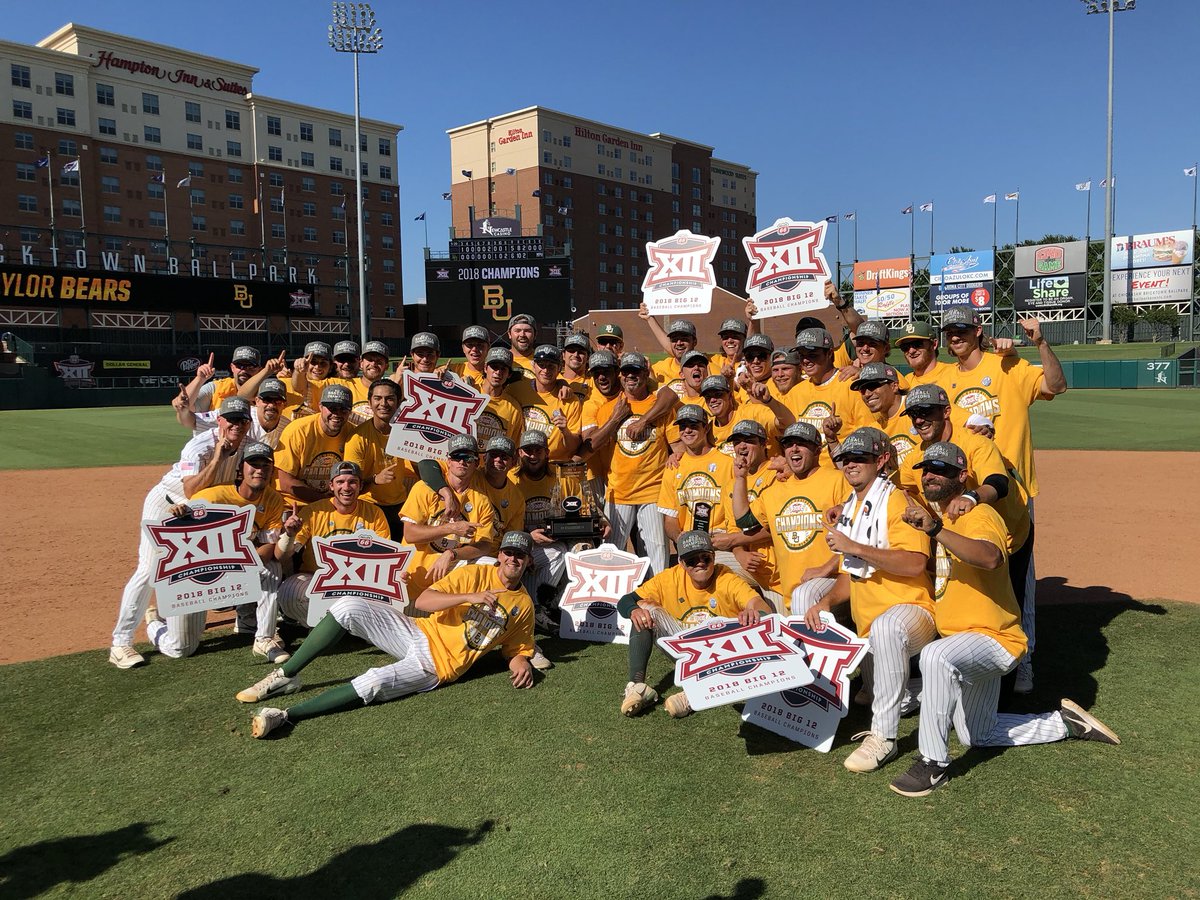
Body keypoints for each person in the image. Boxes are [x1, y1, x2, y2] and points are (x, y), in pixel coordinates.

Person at [888, 442, 1119, 797]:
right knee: (977, 735)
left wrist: (935, 531)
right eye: (926, 469)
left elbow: (991, 557)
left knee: (936, 656)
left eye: (941, 469)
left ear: (963, 477)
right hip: (966, 645)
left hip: (995, 639)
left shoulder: (979, 516)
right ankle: (1064, 724)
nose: (930, 475)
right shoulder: (942, 519)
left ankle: (932, 765)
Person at [236, 530, 538, 739]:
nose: (513, 559)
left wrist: (521, 663)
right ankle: (287, 675)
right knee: (349, 606)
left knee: (374, 682)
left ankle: (287, 715)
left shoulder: (523, 604)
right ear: (500, 555)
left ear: (528, 561)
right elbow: (422, 602)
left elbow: (516, 648)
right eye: (509, 552)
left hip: (438, 666)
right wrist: (467, 597)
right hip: (419, 631)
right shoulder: (474, 574)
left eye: (520, 555)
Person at [937, 307, 1067, 693]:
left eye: (962, 329)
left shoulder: (1009, 365)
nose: (955, 337)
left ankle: (1022, 662)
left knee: (1019, 579)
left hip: (1009, 493)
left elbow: (1056, 386)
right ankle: (967, 656)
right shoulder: (944, 377)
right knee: (964, 575)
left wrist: (1039, 342)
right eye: (950, 331)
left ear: (979, 330)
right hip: (962, 491)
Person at [804, 428, 935, 774]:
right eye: (846, 458)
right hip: (870, 621)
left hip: (911, 611)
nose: (850, 464)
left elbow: (916, 562)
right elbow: (852, 571)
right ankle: (930, 687)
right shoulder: (852, 504)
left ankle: (884, 738)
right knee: (810, 596)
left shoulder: (898, 501)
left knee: (887, 629)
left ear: (881, 461)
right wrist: (826, 602)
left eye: (860, 457)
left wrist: (856, 547)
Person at [108, 397, 252, 669]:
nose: (236, 424)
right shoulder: (198, 446)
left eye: (242, 420)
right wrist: (218, 457)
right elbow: (190, 492)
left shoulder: (246, 441)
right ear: (220, 420)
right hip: (167, 505)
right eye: (230, 419)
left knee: (190, 636)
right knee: (150, 570)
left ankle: (162, 615)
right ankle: (121, 642)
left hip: (198, 517)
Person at [145, 441, 290, 662]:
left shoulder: (272, 500)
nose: (259, 470)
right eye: (253, 464)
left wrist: (237, 571)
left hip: (231, 568)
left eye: (265, 465)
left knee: (270, 568)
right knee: (180, 649)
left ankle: (262, 638)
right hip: (197, 576)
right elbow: (177, 530)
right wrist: (177, 513)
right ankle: (154, 622)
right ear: (241, 468)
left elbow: (268, 548)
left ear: (272, 470)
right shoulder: (213, 497)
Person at [615, 530, 772, 718]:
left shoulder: (726, 578)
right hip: (688, 650)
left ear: (713, 557)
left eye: (705, 557)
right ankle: (637, 686)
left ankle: (696, 693)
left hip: (723, 655)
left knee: (748, 630)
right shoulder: (669, 578)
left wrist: (753, 612)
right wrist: (634, 610)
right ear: (681, 563)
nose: (700, 563)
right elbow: (626, 600)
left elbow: (762, 607)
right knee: (643, 610)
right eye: (691, 560)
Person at [731, 422, 849, 615]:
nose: (794, 448)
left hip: (834, 580)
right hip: (793, 592)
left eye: (801, 443)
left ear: (818, 450)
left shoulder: (836, 479)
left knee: (804, 596)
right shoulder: (773, 492)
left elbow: (860, 534)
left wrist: (827, 568)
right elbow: (744, 522)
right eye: (788, 444)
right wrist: (740, 478)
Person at [276, 460, 392, 625]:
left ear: (360, 486)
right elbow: (281, 556)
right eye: (340, 482)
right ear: (331, 486)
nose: (346, 487)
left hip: (357, 583)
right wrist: (289, 535)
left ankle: (338, 624)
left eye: (352, 482)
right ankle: (337, 625)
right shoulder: (315, 511)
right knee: (289, 592)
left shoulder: (374, 513)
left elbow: (384, 559)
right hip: (316, 579)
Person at [586, 352, 671, 574]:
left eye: (636, 371)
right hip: (618, 492)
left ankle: (656, 601)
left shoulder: (659, 404)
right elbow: (590, 446)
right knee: (610, 553)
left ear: (646, 373)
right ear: (620, 375)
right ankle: (610, 604)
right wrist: (615, 419)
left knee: (657, 552)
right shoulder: (610, 408)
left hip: (652, 490)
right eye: (626, 372)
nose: (630, 376)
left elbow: (678, 446)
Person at [397, 434, 497, 601]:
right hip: (413, 576)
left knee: (489, 563)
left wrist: (452, 554)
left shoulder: (482, 501)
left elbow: (485, 546)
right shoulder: (424, 488)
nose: (462, 462)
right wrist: (451, 528)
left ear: (477, 463)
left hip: (450, 576)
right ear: (448, 461)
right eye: (457, 457)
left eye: (469, 458)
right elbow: (410, 534)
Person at [786, 328, 873, 469]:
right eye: (802, 355)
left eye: (813, 355)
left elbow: (867, 435)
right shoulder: (795, 392)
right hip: (805, 473)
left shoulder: (851, 385)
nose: (806, 360)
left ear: (829, 354)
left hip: (842, 472)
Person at [343, 379, 416, 539]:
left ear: (398, 403)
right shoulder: (357, 438)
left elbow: (421, 467)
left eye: (390, 398)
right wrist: (375, 480)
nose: (383, 403)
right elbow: (351, 485)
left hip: (400, 504)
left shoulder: (407, 432)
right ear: (369, 402)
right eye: (377, 398)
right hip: (368, 506)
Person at [657, 404, 731, 544]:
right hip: (689, 539)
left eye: (694, 425)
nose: (687, 430)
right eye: (682, 427)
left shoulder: (727, 463)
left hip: (721, 537)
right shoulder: (673, 466)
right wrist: (679, 537)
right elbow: (670, 519)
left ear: (706, 428)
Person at [273, 384, 354, 504]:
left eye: (343, 409)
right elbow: (286, 483)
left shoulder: (352, 433)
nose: (337, 414)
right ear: (320, 406)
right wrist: (324, 501)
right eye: (332, 408)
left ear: (350, 411)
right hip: (294, 503)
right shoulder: (298, 431)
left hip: (334, 504)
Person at [507, 344, 583, 462]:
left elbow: (573, 448)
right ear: (533, 366)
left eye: (551, 366)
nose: (546, 370)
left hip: (553, 466)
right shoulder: (515, 390)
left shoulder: (570, 401)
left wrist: (565, 430)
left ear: (559, 368)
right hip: (521, 464)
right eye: (541, 365)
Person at [847, 362, 914, 467]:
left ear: (894, 386)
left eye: (873, 386)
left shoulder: (917, 412)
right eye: (863, 390)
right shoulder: (874, 430)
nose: (867, 394)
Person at [473, 347, 524, 445]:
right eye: (494, 367)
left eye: (503, 369)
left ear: (509, 374)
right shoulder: (471, 393)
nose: (498, 372)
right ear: (485, 368)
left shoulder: (514, 408)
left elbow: (514, 445)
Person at [190, 346, 261, 412]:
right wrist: (199, 379)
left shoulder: (265, 390)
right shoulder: (216, 387)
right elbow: (186, 407)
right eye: (239, 366)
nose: (244, 370)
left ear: (259, 370)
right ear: (232, 367)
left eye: (250, 367)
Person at [895, 321, 953, 387]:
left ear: (934, 344)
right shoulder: (905, 384)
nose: (911, 351)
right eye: (905, 347)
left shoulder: (953, 373)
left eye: (917, 344)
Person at [446, 325, 490, 390]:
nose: (474, 349)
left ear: (488, 347)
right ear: (463, 348)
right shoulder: (452, 370)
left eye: (480, 345)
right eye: (470, 345)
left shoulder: (494, 374)